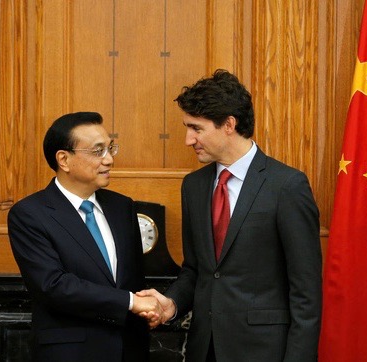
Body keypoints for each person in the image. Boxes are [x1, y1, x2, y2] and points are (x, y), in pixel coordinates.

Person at [138, 70, 322, 361]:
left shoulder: (286, 186)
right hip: (205, 349)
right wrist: (171, 303)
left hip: (264, 352)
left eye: (196, 128)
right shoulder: (194, 186)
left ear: (229, 124)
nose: (188, 139)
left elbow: (306, 292)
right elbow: (196, 270)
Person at [8, 112, 160, 362]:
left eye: (110, 148)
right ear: (64, 160)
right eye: (98, 151)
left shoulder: (123, 207)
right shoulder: (30, 214)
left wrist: (148, 307)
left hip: (129, 350)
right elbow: (53, 286)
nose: (109, 159)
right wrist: (130, 302)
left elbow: (133, 279)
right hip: (70, 353)